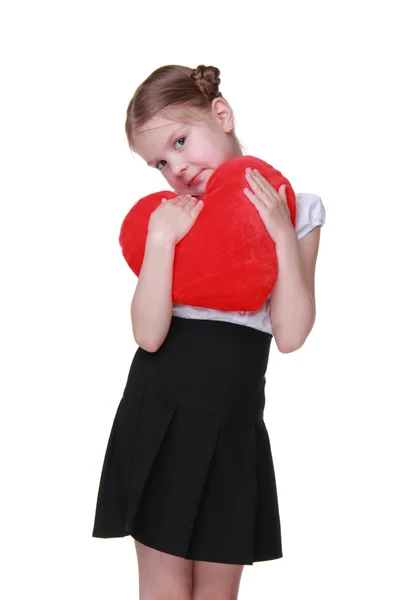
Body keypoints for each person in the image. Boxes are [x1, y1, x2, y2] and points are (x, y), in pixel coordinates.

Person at [92, 64, 326, 600]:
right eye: (159, 162)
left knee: (218, 594)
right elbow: (149, 336)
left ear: (220, 115)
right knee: (166, 590)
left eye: (180, 141)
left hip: (234, 426)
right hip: (159, 416)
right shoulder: (172, 217)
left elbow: (290, 334)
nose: (176, 167)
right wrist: (161, 242)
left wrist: (281, 235)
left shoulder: (297, 209)